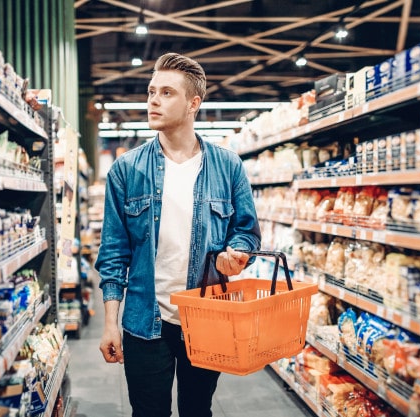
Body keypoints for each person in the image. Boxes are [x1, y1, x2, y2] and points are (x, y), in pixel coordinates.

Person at [95, 52, 261, 417]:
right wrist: (110, 322)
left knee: (198, 410)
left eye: (167, 93)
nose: (153, 100)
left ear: (193, 103)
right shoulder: (126, 169)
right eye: (151, 91)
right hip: (143, 319)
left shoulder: (228, 165)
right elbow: (113, 253)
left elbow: (247, 232)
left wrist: (235, 252)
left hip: (206, 317)